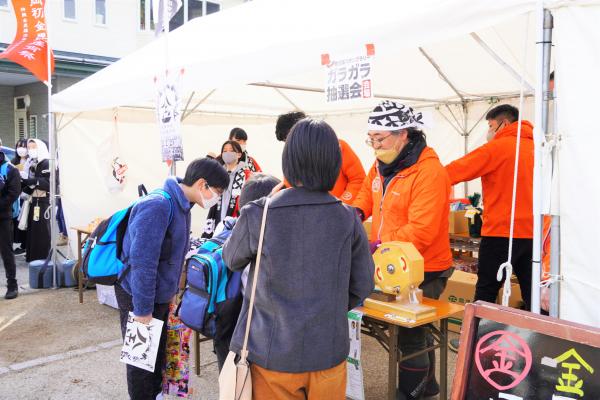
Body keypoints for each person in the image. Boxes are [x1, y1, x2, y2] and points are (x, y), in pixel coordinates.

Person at [223, 118, 374, 399]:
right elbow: (363, 284)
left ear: (289, 159)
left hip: (272, 352)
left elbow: (231, 259)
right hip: (328, 351)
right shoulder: (348, 217)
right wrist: (328, 308)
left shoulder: (261, 212)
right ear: (333, 162)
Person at [353, 100, 453, 399]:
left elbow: (422, 230)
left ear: (403, 134)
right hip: (390, 261)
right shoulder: (382, 164)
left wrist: (379, 245)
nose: (374, 146)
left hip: (426, 266)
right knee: (415, 333)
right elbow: (366, 195)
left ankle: (412, 392)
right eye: (371, 139)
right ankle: (428, 385)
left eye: (379, 139)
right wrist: (355, 213)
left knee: (412, 333)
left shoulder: (429, 172)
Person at [114, 157, 229, 400]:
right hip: (139, 296)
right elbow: (142, 263)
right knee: (141, 364)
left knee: (157, 358)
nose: (216, 198)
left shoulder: (182, 205)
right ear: (201, 184)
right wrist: (143, 311)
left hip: (158, 296)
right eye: (217, 192)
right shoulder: (158, 205)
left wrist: (172, 295)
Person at [446, 104, 534, 313]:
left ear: (503, 124)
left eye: (491, 125)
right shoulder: (538, 147)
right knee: (533, 293)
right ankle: (536, 341)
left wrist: (424, 177)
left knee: (486, 290)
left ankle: (476, 340)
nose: (489, 131)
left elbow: (456, 170)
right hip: (534, 234)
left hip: (501, 232)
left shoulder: (497, 147)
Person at [212, 172, 281, 371]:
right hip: (249, 325)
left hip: (225, 316)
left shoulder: (225, 226)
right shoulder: (262, 235)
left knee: (230, 378)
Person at [275, 111, 366, 204]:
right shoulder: (291, 157)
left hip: (338, 213)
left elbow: (358, 180)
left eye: (290, 138)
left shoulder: (337, 147)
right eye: (285, 141)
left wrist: (341, 204)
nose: (289, 144)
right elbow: (290, 186)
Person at [201, 140, 250, 238]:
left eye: (231, 151)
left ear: (239, 154)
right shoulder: (218, 173)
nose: (227, 153)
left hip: (236, 215)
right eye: (225, 151)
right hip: (217, 211)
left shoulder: (246, 175)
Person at [21, 139, 52, 263]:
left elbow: (48, 183)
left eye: (33, 147)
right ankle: (33, 257)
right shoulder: (35, 163)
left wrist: (29, 180)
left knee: (42, 231)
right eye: (29, 148)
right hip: (34, 200)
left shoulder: (46, 163)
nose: (31, 150)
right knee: (33, 230)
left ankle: (42, 258)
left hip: (43, 201)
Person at [0, 139, 21, 299]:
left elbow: (14, 193)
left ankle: (12, 286)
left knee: (6, 252)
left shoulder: (9, 169)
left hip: (3, 217)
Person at [11, 139, 28, 256]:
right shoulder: (14, 161)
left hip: (26, 195)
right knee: (16, 222)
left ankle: (25, 245)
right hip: (16, 196)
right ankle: (18, 244)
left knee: (25, 221)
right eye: (18, 146)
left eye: (23, 146)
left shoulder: (31, 161)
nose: (20, 148)